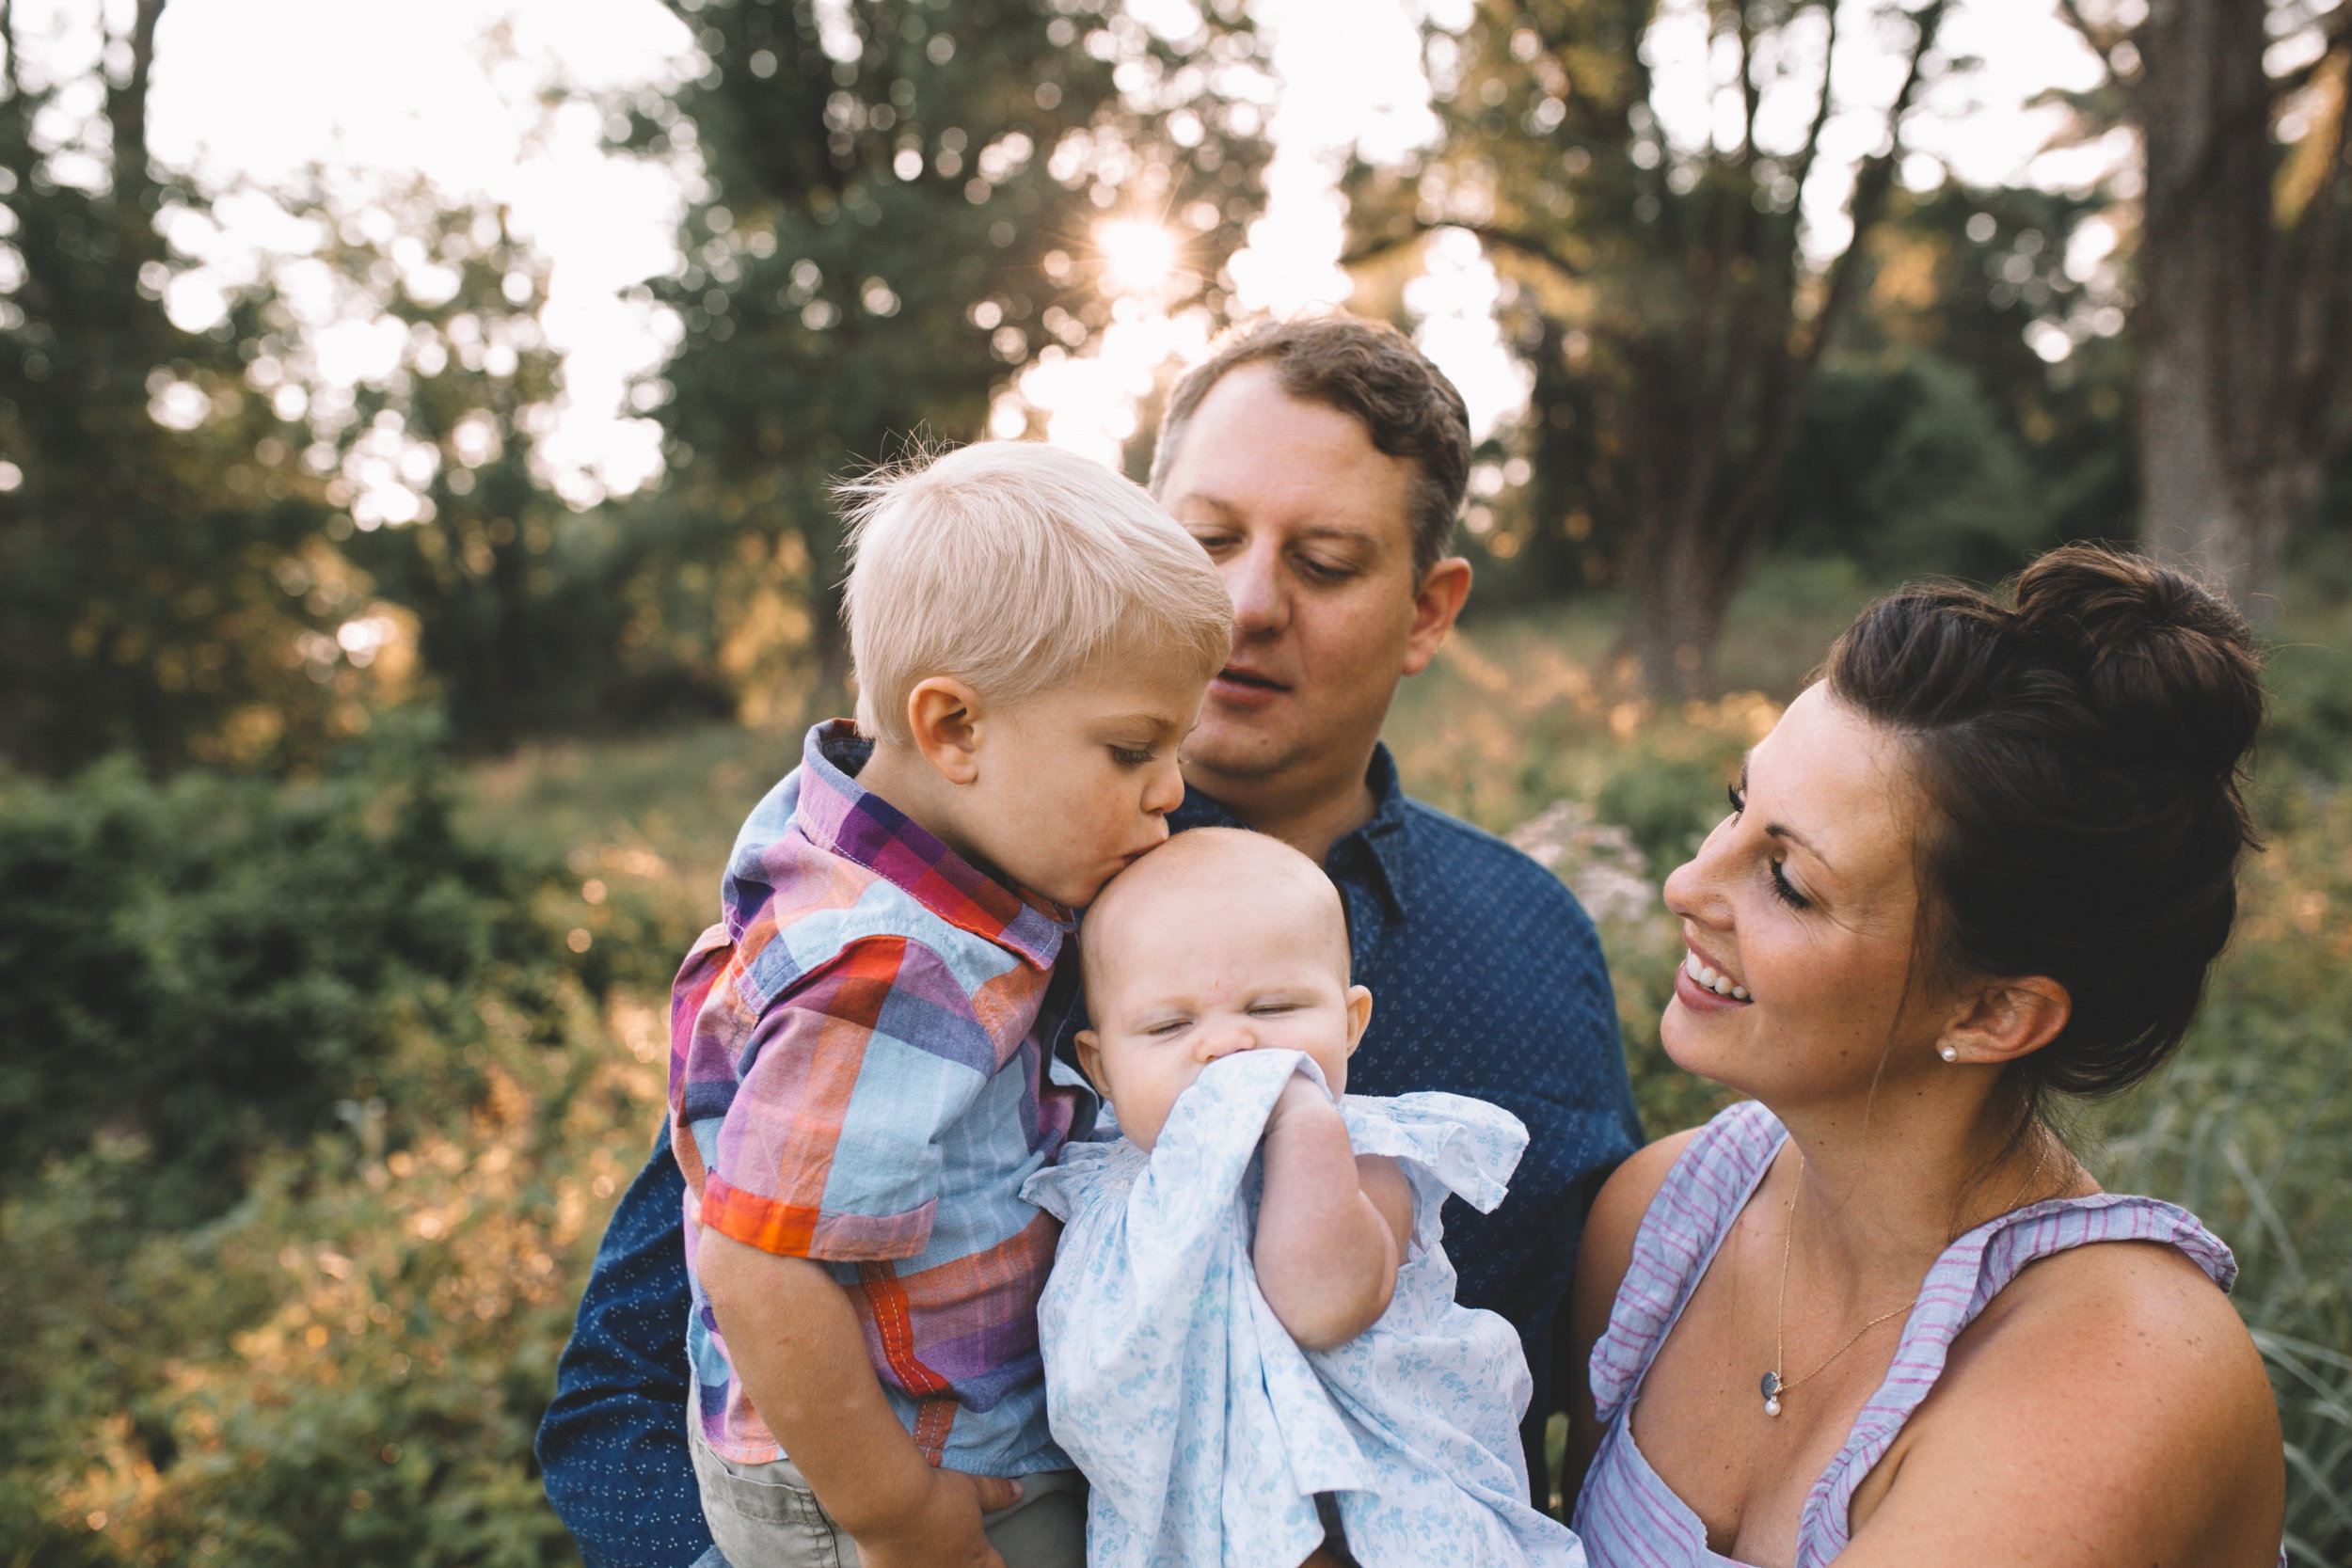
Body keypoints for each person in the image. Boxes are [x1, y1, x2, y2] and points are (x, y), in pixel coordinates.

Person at [537, 314, 1643, 1567]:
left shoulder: (1530, 946)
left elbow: (1568, 1398)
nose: (1246, 601)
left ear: (1429, 611)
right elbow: (632, 1379)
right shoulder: (948, 902)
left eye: (1328, 560)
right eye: (1207, 539)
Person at [1565, 546, 2287, 1566]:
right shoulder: (1657, 1221)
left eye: (1788, 880)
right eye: (1737, 806)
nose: (1687, 882)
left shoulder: (2123, 1374)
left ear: (1995, 1009)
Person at [671, 441, 1232, 1568]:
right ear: (954, 728)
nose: (1171, 789)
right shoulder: (895, 966)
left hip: (894, 1433)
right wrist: (900, 1519)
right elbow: (757, 1264)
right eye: (1132, 748)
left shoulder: (838, 837)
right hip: (902, 1466)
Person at [1027, 828, 1587, 1568]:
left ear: (1349, 1024)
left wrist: (1299, 1118)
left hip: (1371, 1521)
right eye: (1170, 1024)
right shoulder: (1104, 1189)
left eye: (1278, 1007)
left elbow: (1320, 1306)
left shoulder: (1365, 1156)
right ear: (1103, 1068)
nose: (1228, 1045)